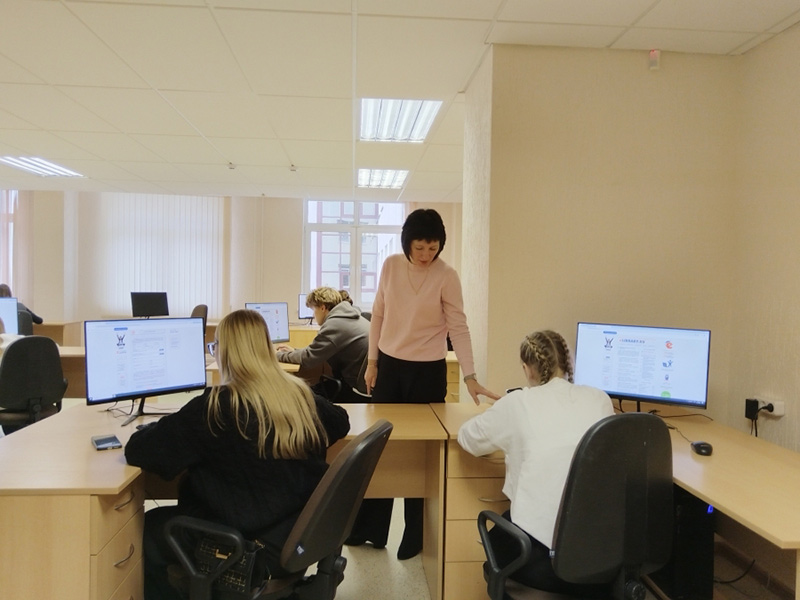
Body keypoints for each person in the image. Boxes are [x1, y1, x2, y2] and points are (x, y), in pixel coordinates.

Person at [125, 309, 350, 600]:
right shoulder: (299, 396)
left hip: (241, 543)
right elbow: (340, 421)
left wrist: (156, 428)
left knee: (145, 530)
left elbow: (141, 451)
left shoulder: (214, 409)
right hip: (295, 539)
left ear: (225, 352)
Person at [351, 208, 500, 560]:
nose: (425, 255)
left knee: (421, 453)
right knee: (380, 446)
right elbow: (378, 316)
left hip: (428, 372)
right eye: (419, 248)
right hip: (390, 367)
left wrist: (470, 376)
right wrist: (372, 362)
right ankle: (371, 530)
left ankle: (415, 536)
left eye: (433, 249)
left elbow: (458, 327)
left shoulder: (447, 276)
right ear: (407, 243)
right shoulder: (391, 266)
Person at [457, 330, 615, 596]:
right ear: (568, 363)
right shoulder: (600, 400)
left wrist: (501, 418)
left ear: (527, 369)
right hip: (599, 557)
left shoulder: (518, 402)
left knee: (495, 547)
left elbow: (469, 438)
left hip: (540, 558)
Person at [275, 287, 370, 403]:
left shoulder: (334, 325)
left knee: (300, 396)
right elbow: (316, 351)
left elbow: (308, 359)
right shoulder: (349, 317)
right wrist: (294, 351)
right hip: (365, 382)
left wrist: (277, 355)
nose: (313, 315)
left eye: (313, 309)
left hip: (355, 390)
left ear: (322, 308)